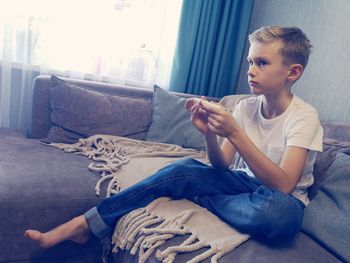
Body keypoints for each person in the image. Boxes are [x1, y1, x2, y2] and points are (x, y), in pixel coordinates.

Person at [24, 26, 323, 248]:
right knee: (182, 169)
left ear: (292, 72)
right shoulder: (245, 106)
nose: (251, 70)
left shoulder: (304, 116)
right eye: (249, 62)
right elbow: (220, 166)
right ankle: (84, 223)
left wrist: (234, 132)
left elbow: (284, 185)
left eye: (262, 63)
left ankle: (200, 195)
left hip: (277, 199)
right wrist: (208, 134)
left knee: (279, 219)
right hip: (239, 186)